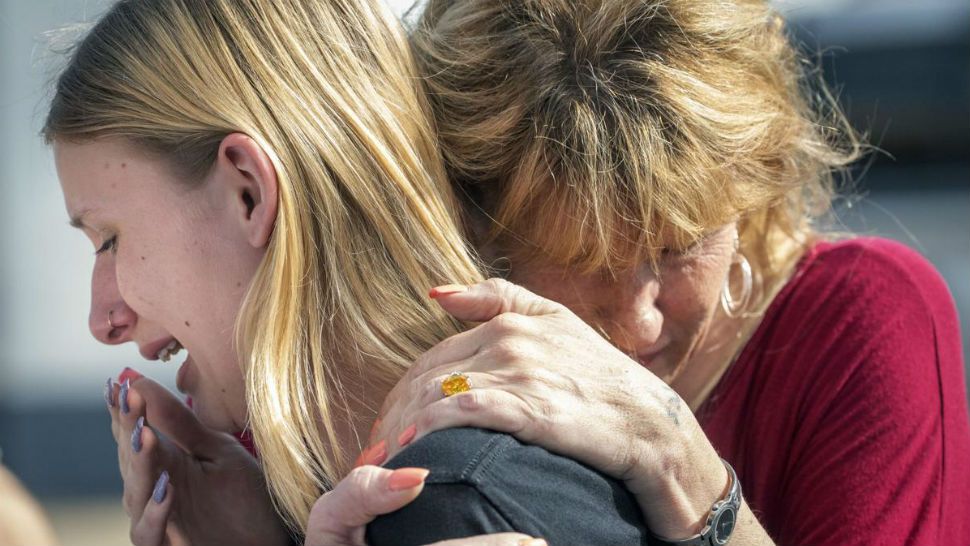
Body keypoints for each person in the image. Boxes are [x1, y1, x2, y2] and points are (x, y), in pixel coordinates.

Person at [345, 0, 970, 545]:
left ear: (752, 184)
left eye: (683, 245)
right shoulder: (415, 348)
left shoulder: (862, 316)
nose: (642, 325)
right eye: (583, 262)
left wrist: (679, 462)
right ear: (469, 222)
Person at [45, 0, 657, 544]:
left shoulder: (448, 503)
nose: (104, 320)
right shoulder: (448, 486)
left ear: (249, 195)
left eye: (110, 239)